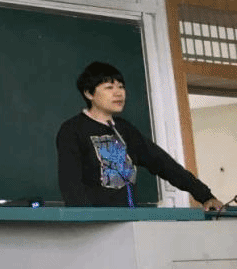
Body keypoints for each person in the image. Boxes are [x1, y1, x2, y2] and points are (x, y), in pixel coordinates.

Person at [56, 61, 224, 210]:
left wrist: (205, 196)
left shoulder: (125, 129)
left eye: (121, 87)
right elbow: (70, 183)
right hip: (95, 224)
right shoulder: (72, 130)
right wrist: (87, 220)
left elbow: (163, 163)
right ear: (89, 93)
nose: (118, 93)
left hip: (129, 222)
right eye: (109, 88)